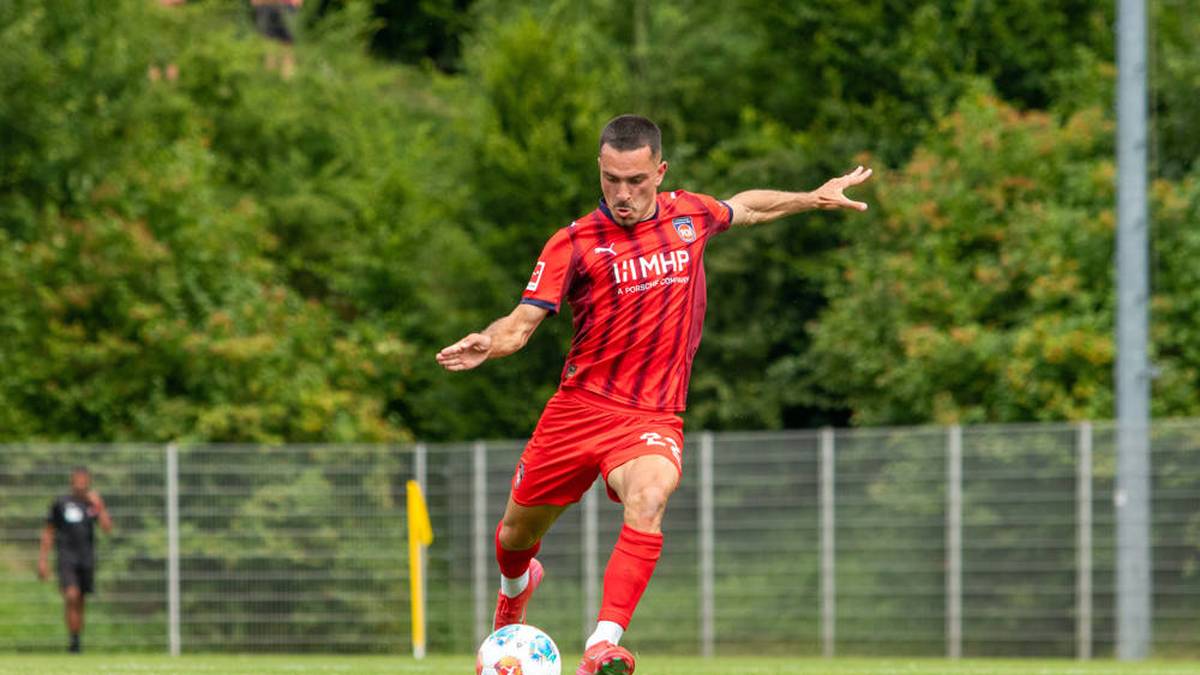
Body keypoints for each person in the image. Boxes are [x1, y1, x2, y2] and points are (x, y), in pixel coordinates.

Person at [437, 114, 871, 674]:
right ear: (600, 169)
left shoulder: (690, 215)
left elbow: (749, 207)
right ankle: (514, 594)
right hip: (578, 410)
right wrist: (488, 342)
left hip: (652, 414)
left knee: (649, 497)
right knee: (514, 537)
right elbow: (521, 323)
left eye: (636, 180)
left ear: (659, 171)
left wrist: (812, 198)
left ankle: (602, 645)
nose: (623, 193)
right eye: (612, 179)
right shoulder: (573, 242)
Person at [38, 467, 114, 654]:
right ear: (72, 481)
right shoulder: (61, 503)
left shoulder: (92, 504)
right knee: (71, 595)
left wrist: (100, 506)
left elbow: (107, 528)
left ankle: (76, 641)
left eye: (84, 479)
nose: (80, 482)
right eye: (77, 479)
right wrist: (43, 560)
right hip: (66, 556)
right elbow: (48, 531)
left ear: (88, 481)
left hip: (86, 557)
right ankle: (73, 640)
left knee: (80, 600)